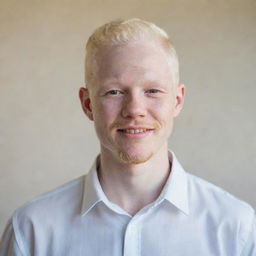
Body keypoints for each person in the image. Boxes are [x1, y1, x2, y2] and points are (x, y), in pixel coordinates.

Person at [0, 18, 255, 256]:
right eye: (114, 92)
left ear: (177, 101)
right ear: (88, 104)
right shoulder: (31, 230)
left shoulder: (237, 228)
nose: (134, 110)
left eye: (153, 91)